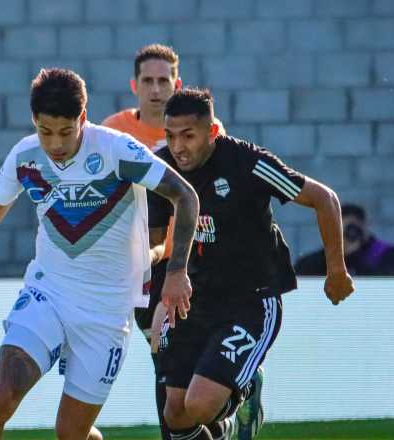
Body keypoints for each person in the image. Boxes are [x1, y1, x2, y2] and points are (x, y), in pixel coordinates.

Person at [0, 68, 200, 440]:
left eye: (65, 132)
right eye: (45, 132)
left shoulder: (117, 151)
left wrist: (177, 273)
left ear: (83, 118)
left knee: (71, 433)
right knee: (3, 394)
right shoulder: (26, 157)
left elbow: (185, 196)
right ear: (34, 122)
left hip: (107, 310)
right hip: (49, 293)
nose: (56, 144)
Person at [148, 88, 354, 440]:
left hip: (252, 301)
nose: (178, 147)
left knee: (198, 406)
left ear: (212, 132)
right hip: (197, 297)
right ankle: (226, 426)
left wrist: (336, 270)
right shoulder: (164, 169)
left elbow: (325, 199)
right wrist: (154, 287)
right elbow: (153, 242)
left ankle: (243, 396)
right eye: (170, 136)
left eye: (188, 136)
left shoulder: (247, 163)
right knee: (175, 414)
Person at [102, 44, 259, 440]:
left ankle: (232, 393)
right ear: (134, 85)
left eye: (163, 81)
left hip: (191, 263)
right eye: (148, 81)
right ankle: (220, 419)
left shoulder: (207, 132)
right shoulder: (113, 131)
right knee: (166, 359)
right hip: (142, 263)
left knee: (169, 356)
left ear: (178, 83)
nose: (156, 90)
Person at [295, 203, 394, 276]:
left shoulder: (387, 254)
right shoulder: (317, 260)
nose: (346, 235)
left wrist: (353, 256)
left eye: (351, 229)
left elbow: (387, 285)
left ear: (364, 225)